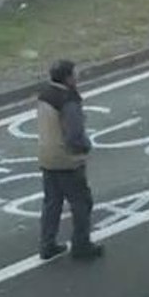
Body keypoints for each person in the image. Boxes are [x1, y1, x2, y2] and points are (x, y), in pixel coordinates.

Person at [37, 60, 104, 261]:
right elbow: (74, 133)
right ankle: (81, 244)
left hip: (47, 156)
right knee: (81, 202)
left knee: (52, 202)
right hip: (67, 159)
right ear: (67, 78)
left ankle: (47, 244)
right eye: (75, 74)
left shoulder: (45, 94)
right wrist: (85, 147)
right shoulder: (68, 100)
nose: (78, 77)